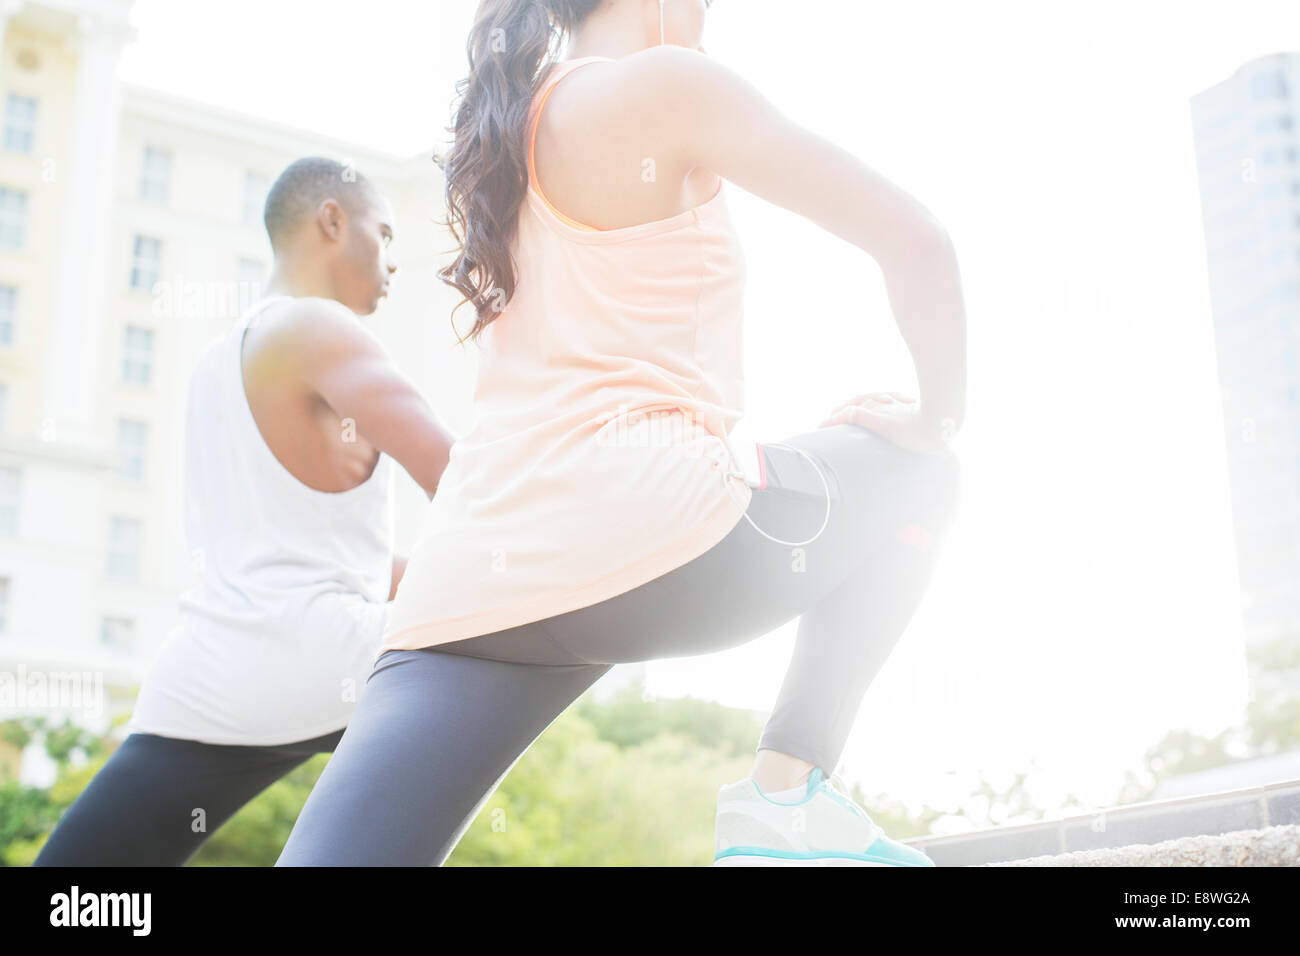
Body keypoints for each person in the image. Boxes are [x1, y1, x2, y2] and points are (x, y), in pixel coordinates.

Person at [277, 0, 967, 867]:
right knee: (924, 472)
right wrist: (934, 418)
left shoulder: (502, 126)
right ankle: (784, 801)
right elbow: (919, 242)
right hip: (649, 535)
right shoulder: (668, 85)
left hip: (462, 596)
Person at [34, 157, 455, 866]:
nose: (392, 265)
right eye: (382, 235)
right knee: (515, 655)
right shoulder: (321, 328)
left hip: (210, 679)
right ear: (330, 220)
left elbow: (315, 553)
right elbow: (459, 479)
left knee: (79, 891)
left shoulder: (214, 364)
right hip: (337, 658)